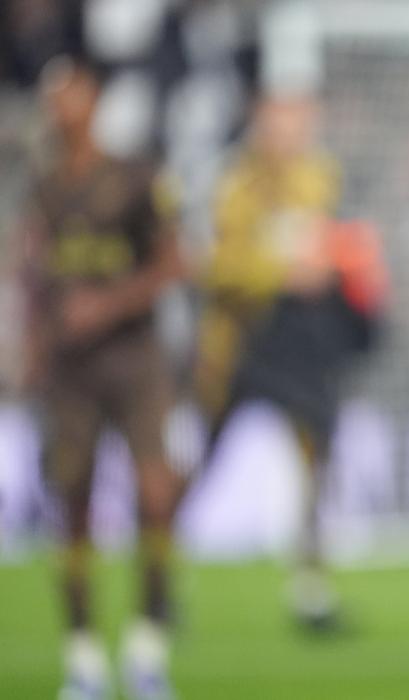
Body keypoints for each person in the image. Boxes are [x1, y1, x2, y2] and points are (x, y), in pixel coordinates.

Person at [20, 56, 185, 700]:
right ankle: (83, 656)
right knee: (72, 502)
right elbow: (33, 275)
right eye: (52, 97)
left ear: (92, 102)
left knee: (154, 495)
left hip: (135, 360)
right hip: (70, 371)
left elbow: (173, 264)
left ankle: (148, 646)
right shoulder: (43, 187)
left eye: (71, 94)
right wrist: (31, 346)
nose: (60, 107)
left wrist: (106, 305)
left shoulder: (135, 177)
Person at [193, 92, 384, 633]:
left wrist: (345, 265)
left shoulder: (323, 179)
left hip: (304, 344)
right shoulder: (234, 186)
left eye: (299, 124)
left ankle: (311, 586)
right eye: (280, 124)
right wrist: (282, 270)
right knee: (202, 454)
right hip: (244, 338)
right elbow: (216, 267)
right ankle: (165, 571)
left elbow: (345, 245)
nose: (290, 135)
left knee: (315, 458)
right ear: (260, 126)